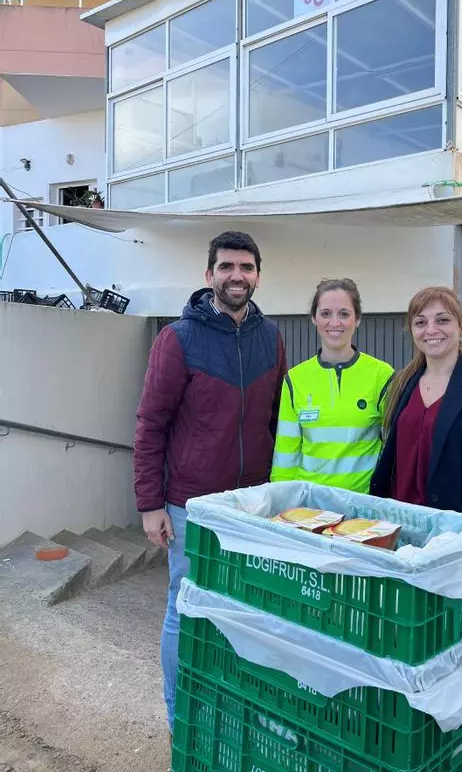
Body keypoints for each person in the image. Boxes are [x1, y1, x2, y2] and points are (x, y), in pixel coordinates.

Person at [133, 230, 286, 734]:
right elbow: (150, 424)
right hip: (190, 506)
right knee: (186, 607)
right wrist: (150, 503)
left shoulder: (272, 338)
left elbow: (272, 423)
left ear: (258, 275)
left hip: (250, 505)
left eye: (245, 267)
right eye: (226, 267)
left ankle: (230, 710)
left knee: (241, 611)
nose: (236, 276)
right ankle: (182, 722)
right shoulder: (178, 338)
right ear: (209, 276)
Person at [370, 286, 462, 522]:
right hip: (397, 526)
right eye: (420, 322)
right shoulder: (402, 384)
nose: (431, 330)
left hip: (454, 535)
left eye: (442, 320)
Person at [271, 278, 393, 492]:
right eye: (326, 313)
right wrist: (283, 503)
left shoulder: (382, 375)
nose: (334, 322)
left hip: (364, 509)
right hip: (309, 509)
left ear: (357, 319)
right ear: (313, 318)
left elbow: (393, 451)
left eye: (344, 314)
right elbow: (285, 455)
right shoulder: (295, 379)